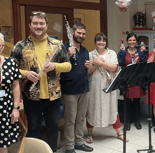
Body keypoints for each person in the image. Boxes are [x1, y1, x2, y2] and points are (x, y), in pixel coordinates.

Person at [10, 11, 71, 152]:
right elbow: (11, 69)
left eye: (41, 23)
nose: (38, 26)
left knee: (52, 128)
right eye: (35, 23)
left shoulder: (57, 45)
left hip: (53, 96)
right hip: (31, 97)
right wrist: (26, 73)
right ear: (30, 25)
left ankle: (52, 151)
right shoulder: (20, 46)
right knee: (34, 129)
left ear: (46, 25)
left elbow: (68, 66)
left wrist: (55, 65)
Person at [85, 33, 128, 143]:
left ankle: (119, 133)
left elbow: (114, 68)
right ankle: (89, 134)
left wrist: (100, 62)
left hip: (109, 85)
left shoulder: (111, 53)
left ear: (106, 42)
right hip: (94, 86)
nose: (101, 43)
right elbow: (88, 72)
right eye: (99, 40)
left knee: (112, 108)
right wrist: (95, 64)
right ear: (95, 42)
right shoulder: (90, 54)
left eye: (103, 41)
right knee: (92, 108)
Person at [60, 23, 93, 153]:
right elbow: (58, 67)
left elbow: (87, 71)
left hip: (84, 89)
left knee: (81, 118)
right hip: (70, 90)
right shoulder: (64, 48)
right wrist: (67, 55)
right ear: (73, 32)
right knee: (70, 120)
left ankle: (79, 142)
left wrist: (89, 66)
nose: (81, 36)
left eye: (83, 34)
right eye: (79, 33)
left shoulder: (85, 51)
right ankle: (69, 147)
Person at [117, 33, 147, 131]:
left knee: (137, 102)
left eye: (134, 40)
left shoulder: (140, 51)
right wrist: (121, 52)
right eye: (130, 40)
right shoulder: (124, 51)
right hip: (126, 80)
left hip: (137, 80)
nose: (132, 42)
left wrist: (143, 52)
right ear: (127, 41)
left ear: (136, 41)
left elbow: (144, 63)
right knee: (127, 102)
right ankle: (127, 121)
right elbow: (120, 63)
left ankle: (137, 121)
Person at [0, 33, 22, 153]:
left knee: (3, 140)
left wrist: (15, 108)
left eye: (0, 45)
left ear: (2, 47)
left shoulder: (10, 62)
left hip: (5, 106)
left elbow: (15, 86)